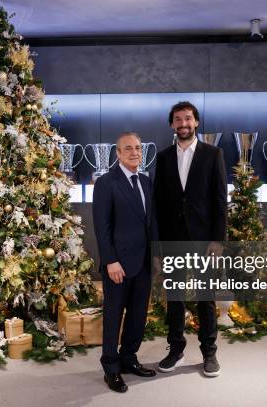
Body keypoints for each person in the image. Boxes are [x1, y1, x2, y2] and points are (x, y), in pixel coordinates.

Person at [153, 101, 227, 377]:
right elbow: (159, 204)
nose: (183, 124)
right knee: (175, 297)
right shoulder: (162, 157)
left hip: (204, 240)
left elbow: (220, 200)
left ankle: (209, 353)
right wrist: (158, 247)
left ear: (196, 122)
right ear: (172, 124)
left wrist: (218, 240)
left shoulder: (213, 154)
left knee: (205, 298)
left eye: (188, 119)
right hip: (173, 239)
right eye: (177, 120)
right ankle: (176, 350)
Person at [93, 132, 158, 393]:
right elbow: (102, 226)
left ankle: (129, 358)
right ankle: (111, 367)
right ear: (117, 154)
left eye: (138, 148)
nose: (134, 152)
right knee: (113, 316)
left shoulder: (146, 181)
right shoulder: (106, 182)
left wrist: (156, 255)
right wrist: (110, 261)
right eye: (128, 148)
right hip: (118, 265)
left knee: (138, 316)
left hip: (143, 263)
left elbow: (150, 222)